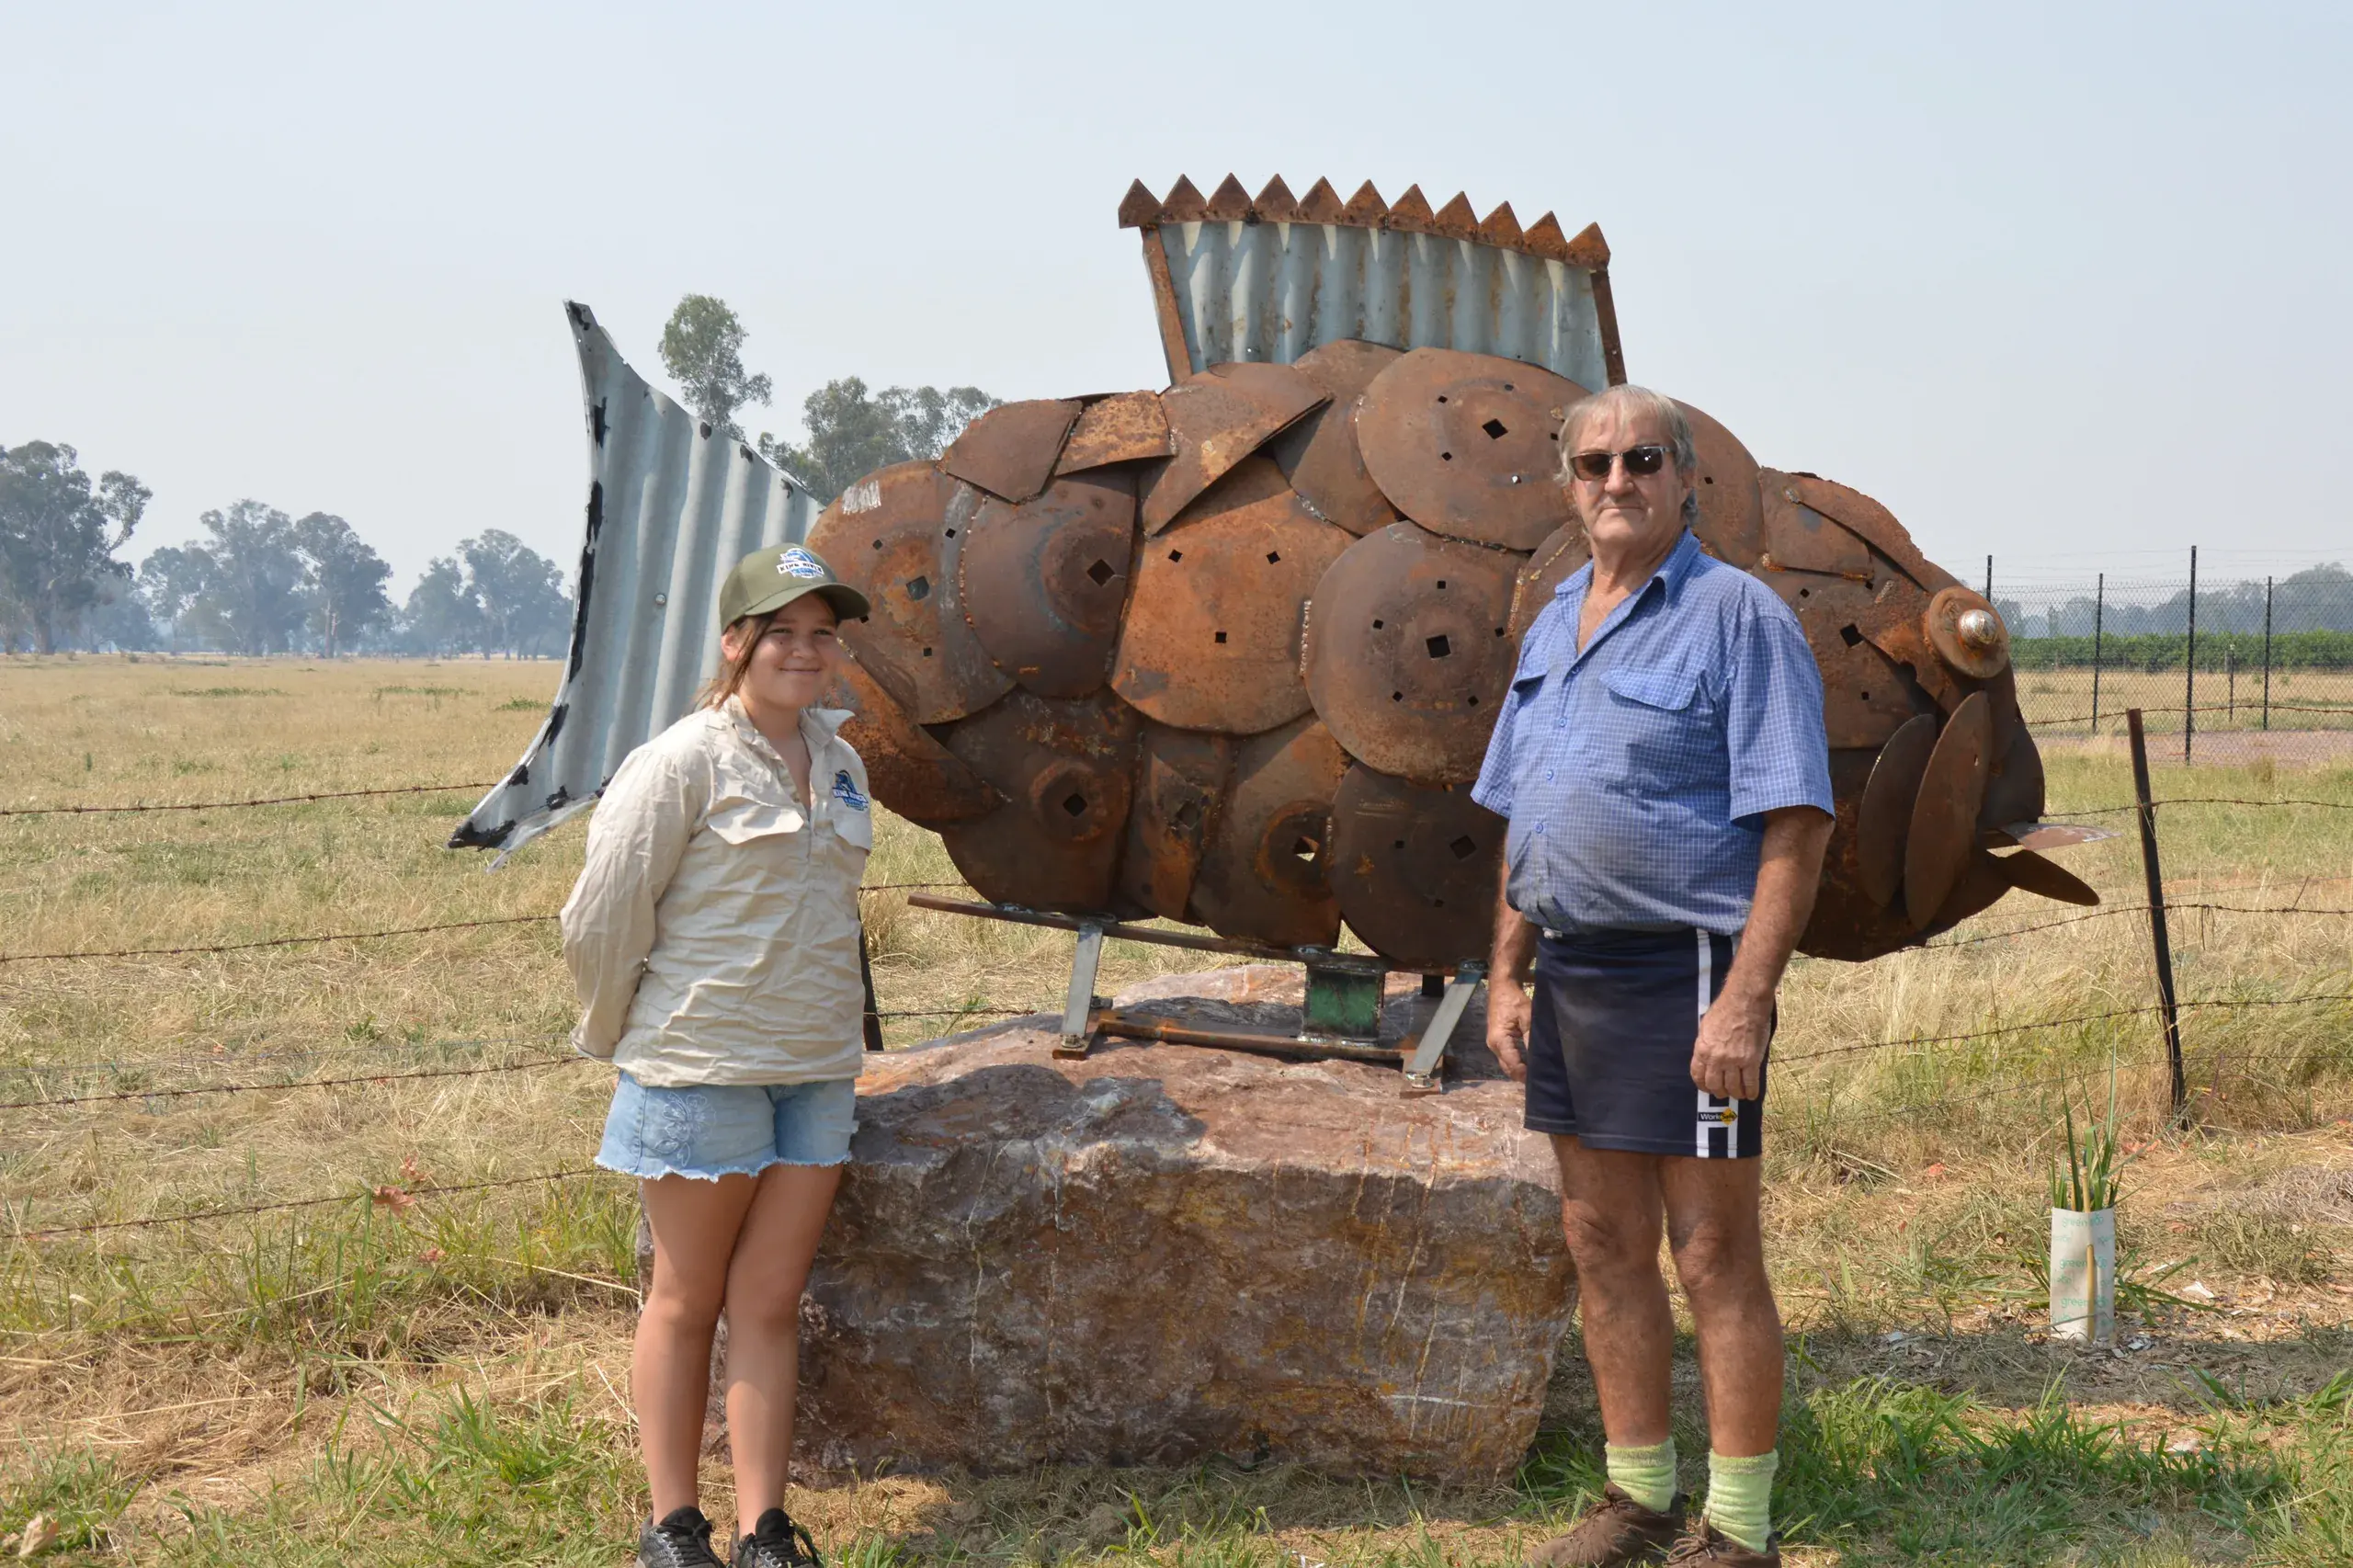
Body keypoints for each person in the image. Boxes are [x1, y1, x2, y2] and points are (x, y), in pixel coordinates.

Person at [1472, 387, 1834, 1567]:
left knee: (1712, 1252)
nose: (1615, 480)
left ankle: (1739, 1528)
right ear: (1567, 483)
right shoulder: (1552, 622)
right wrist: (1507, 972)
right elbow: (1524, 813)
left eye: (1639, 458)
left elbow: (1795, 820)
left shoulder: (1737, 617)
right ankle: (1638, 1499)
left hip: (1688, 971)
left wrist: (1747, 998)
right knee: (1598, 1237)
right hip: (1571, 970)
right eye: (1593, 463)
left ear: (1683, 476)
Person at [562, 543, 875, 1568]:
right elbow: (601, 916)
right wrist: (620, 1033)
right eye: (781, 632)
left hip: (815, 1069)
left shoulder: (842, 765)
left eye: (822, 633)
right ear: (736, 642)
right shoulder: (682, 761)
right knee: (688, 1297)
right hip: (701, 1066)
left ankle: (763, 1531)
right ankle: (673, 1528)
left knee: (771, 1302)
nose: (804, 650)